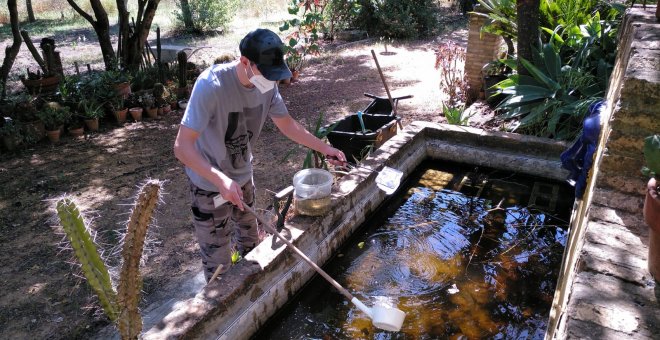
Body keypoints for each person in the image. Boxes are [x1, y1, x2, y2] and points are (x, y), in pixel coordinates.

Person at [173, 28, 346, 282]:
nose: (271, 82)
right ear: (245, 62)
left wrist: (325, 148)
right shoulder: (211, 86)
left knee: (252, 247)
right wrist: (220, 181)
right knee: (218, 267)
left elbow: (287, 125)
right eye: (267, 74)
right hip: (209, 187)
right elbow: (182, 147)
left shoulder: (267, 85)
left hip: (243, 178)